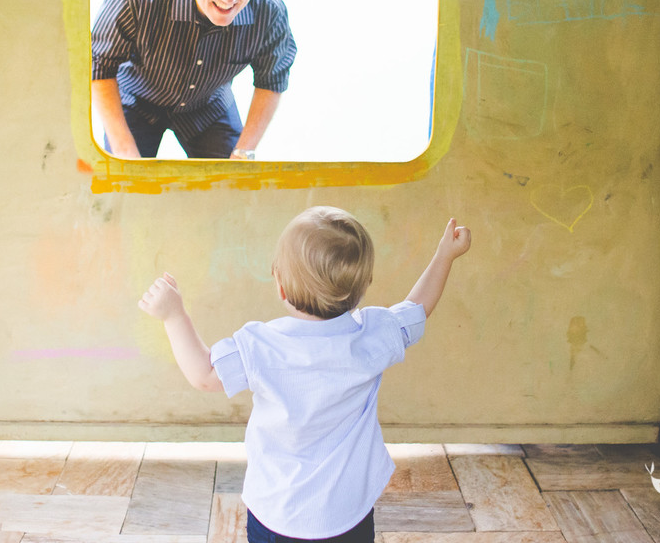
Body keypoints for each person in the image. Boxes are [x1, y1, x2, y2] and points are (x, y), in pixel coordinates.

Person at [137, 207, 472, 542]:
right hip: (348, 514)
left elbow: (204, 375)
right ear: (364, 286)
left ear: (280, 287)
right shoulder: (373, 335)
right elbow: (418, 308)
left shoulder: (261, 347)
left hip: (278, 514)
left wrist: (173, 315)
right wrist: (445, 256)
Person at [91, 0, 297, 160]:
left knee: (232, 189)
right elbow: (99, 65)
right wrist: (125, 151)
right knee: (125, 189)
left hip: (209, 104)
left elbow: (272, 80)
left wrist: (244, 152)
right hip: (136, 98)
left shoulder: (269, 11)